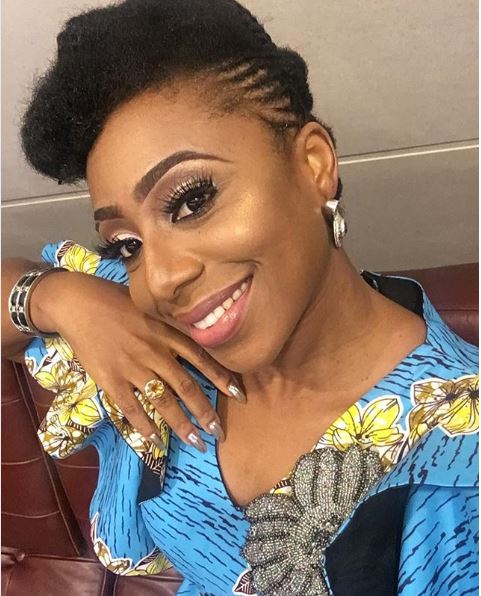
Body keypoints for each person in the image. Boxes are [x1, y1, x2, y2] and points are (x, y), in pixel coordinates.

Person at [2, 1, 478, 594]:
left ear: (313, 165)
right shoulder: (146, 334)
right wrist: (64, 299)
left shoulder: (457, 471)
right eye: (127, 244)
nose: (161, 278)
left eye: (192, 200)